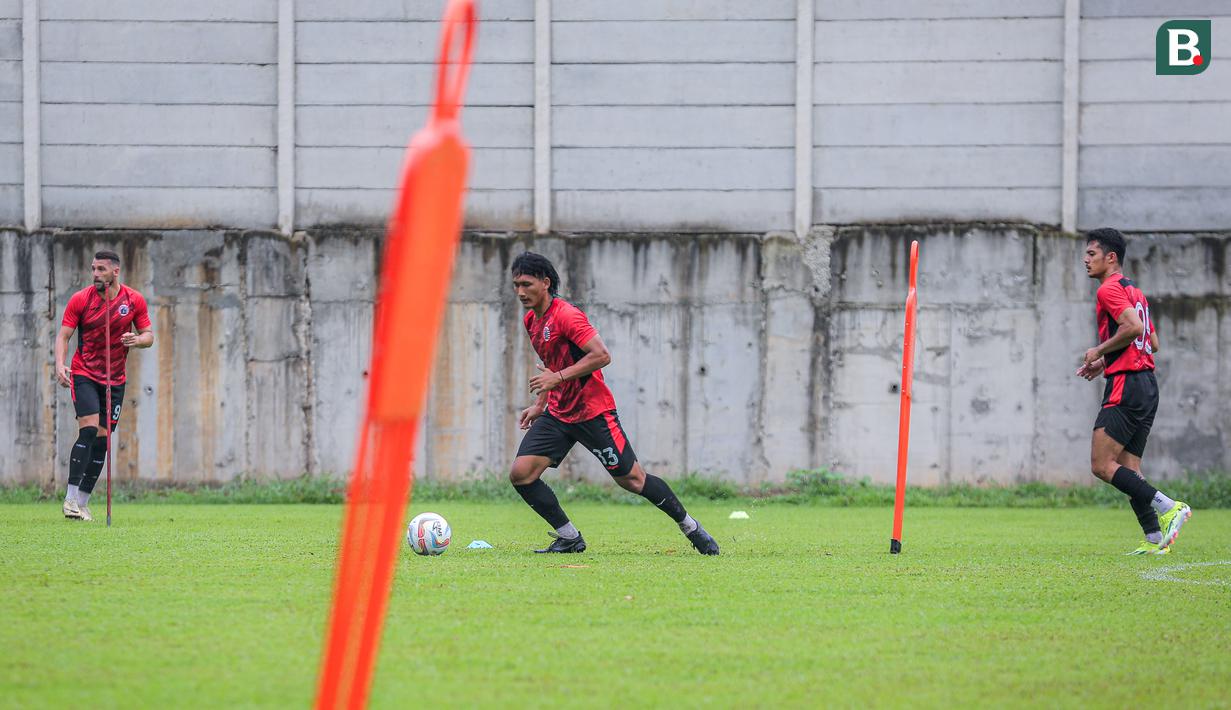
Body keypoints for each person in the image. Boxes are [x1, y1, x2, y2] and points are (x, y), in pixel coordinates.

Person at [507, 251, 719, 555]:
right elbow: (551, 364)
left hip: (593, 412)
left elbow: (602, 355)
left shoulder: (567, 315)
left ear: (545, 282)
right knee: (522, 473)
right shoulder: (532, 321)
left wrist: (559, 379)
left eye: (526, 284)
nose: (520, 292)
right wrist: (541, 404)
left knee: (633, 480)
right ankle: (569, 537)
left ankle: (691, 527)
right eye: (516, 285)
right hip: (559, 414)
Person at [1076, 228, 1190, 554]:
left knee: (1101, 464)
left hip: (1127, 384)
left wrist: (1099, 351)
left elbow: (1134, 329)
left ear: (1111, 258)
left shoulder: (1108, 290)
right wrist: (1105, 361)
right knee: (1129, 469)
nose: (1086, 260)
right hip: (1146, 384)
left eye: (1091, 254)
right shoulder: (1135, 293)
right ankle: (1156, 538)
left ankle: (1169, 507)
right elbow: (1150, 342)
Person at [54, 251, 153, 521]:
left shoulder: (133, 300)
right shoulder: (80, 300)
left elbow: (149, 335)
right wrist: (60, 364)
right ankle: (70, 499)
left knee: (102, 441)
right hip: (85, 372)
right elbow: (64, 336)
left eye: (100, 269)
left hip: (115, 379)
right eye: (93, 269)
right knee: (87, 429)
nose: (95, 274)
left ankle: (83, 503)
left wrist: (137, 339)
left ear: (115, 272)